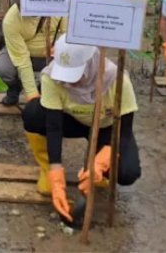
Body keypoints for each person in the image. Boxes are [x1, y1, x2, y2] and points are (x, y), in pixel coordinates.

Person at [22, 36, 141, 222]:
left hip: (106, 127)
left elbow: (124, 132)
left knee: (127, 172)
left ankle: (99, 171)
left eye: (75, 75)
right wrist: (56, 174)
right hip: (73, 121)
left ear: (91, 62)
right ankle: (46, 171)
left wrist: (101, 162)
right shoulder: (51, 77)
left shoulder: (117, 81)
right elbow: (53, 126)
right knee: (33, 114)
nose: (69, 83)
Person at [0, 0, 67, 106]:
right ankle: (15, 88)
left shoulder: (58, 7)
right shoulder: (10, 20)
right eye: (21, 7)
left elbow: (68, 37)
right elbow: (22, 59)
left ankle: (46, 88)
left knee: (67, 64)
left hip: (49, 55)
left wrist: (60, 48)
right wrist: (32, 94)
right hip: (20, 54)